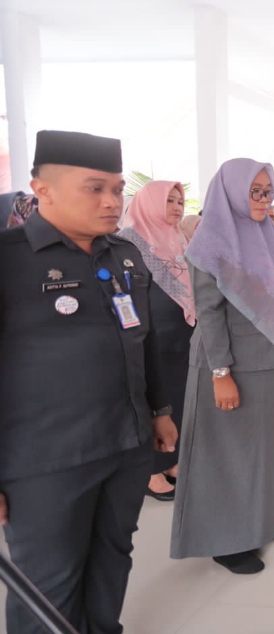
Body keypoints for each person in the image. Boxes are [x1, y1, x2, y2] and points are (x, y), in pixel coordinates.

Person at [0, 129, 178, 634]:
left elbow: (144, 342)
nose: (111, 201)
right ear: (44, 189)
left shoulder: (124, 256)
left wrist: (160, 412)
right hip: (44, 461)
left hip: (125, 444)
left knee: (113, 556)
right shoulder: (8, 259)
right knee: (48, 580)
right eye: (94, 188)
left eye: (118, 189)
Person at [171, 158, 274, 575]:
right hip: (227, 366)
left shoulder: (268, 237)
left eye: (268, 192)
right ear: (230, 191)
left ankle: (264, 519)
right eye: (255, 191)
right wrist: (221, 374)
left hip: (265, 359)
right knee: (225, 453)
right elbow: (209, 313)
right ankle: (226, 540)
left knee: (263, 447)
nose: (264, 200)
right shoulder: (210, 244)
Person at [119, 180, 197, 501]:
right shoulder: (129, 241)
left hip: (180, 333)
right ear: (149, 203)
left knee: (176, 396)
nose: (177, 208)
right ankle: (151, 471)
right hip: (150, 337)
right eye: (169, 201)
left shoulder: (177, 237)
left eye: (180, 202)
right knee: (153, 400)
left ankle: (170, 459)